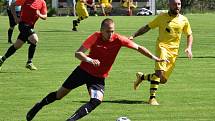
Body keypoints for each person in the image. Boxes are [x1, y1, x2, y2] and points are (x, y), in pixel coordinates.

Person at [26, 18, 168, 121]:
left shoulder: (119, 39)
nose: (110, 34)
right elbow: (78, 53)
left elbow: (139, 48)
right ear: (101, 30)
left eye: (112, 31)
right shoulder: (95, 36)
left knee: (96, 100)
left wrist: (155, 58)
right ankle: (38, 106)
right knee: (59, 95)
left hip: (98, 77)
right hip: (82, 72)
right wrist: (89, 60)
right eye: (107, 31)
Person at [129, 0, 193, 105]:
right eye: (174, 4)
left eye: (179, 4)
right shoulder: (161, 17)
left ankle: (142, 77)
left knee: (163, 80)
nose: (177, 6)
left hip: (174, 52)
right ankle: (152, 99)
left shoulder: (184, 20)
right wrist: (133, 35)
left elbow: (189, 34)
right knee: (159, 73)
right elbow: (147, 27)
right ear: (169, 4)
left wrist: (189, 47)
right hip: (162, 47)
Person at [0, 0, 47, 70]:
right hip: (23, 24)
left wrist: (39, 14)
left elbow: (45, 16)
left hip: (30, 26)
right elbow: (12, 5)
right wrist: (15, 18)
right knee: (34, 39)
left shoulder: (42, 2)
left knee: (17, 45)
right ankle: (29, 62)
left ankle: (2, 59)